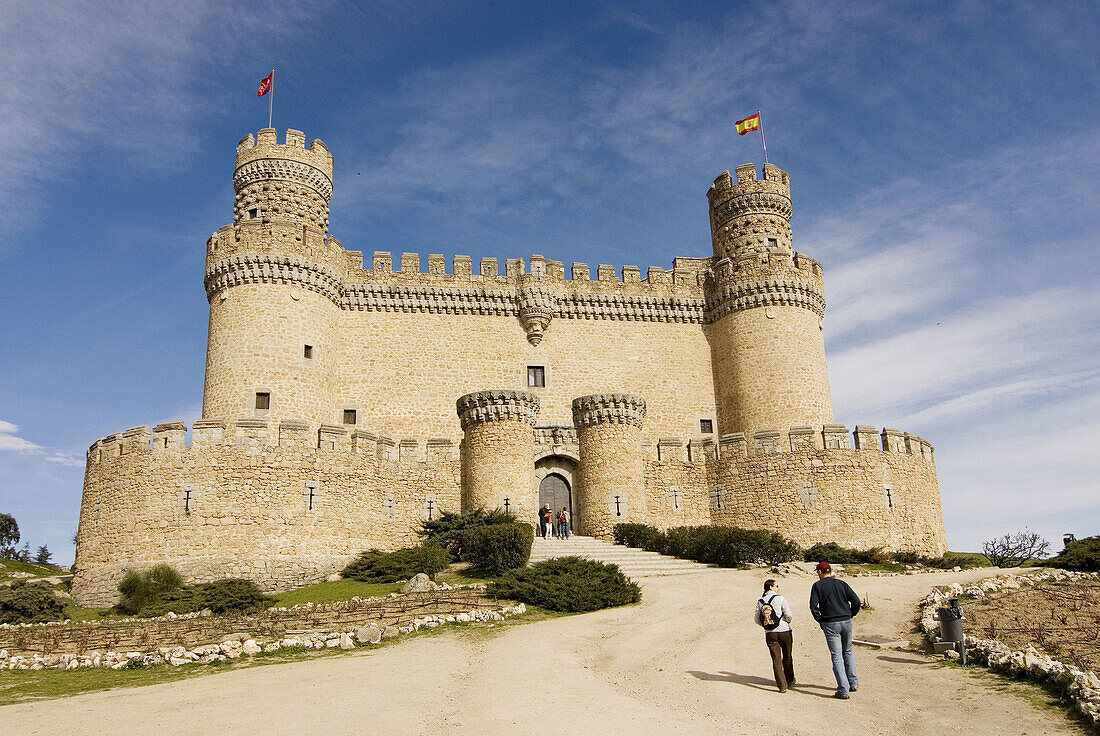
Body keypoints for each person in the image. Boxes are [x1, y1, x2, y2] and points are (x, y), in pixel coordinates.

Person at [809, 561, 861, 699]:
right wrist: (851, 614)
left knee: (836, 656)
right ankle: (853, 682)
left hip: (830, 623)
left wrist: (821, 620)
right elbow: (856, 601)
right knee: (848, 651)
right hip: (846, 620)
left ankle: (843, 689)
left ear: (820, 572)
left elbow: (813, 607)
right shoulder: (841, 583)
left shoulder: (817, 586)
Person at [754, 579, 794, 692]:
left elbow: (757, 619)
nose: (778, 588)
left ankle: (782, 685)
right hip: (784, 630)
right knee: (787, 656)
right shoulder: (780, 598)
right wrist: (785, 622)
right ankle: (790, 679)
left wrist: (766, 626)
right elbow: (789, 614)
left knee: (775, 659)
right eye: (776, 586)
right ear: (771, 587)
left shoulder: (760, 601)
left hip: (770, 633)